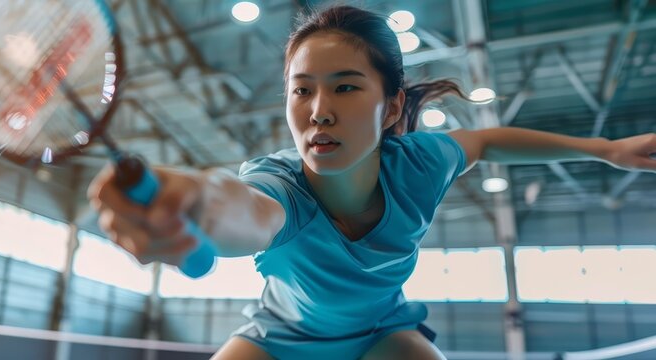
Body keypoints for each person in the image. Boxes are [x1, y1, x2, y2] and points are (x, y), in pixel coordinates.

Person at [88, 5, 656, 360]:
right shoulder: (278, 187)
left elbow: (485, 141)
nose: (319, 111)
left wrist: (605, 150)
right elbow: (241, 209)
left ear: (392, 108)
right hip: (279, 341)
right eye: (302, 89)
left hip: (381, 337)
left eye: (346, 87)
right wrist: (193, 199)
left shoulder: (419, 166)